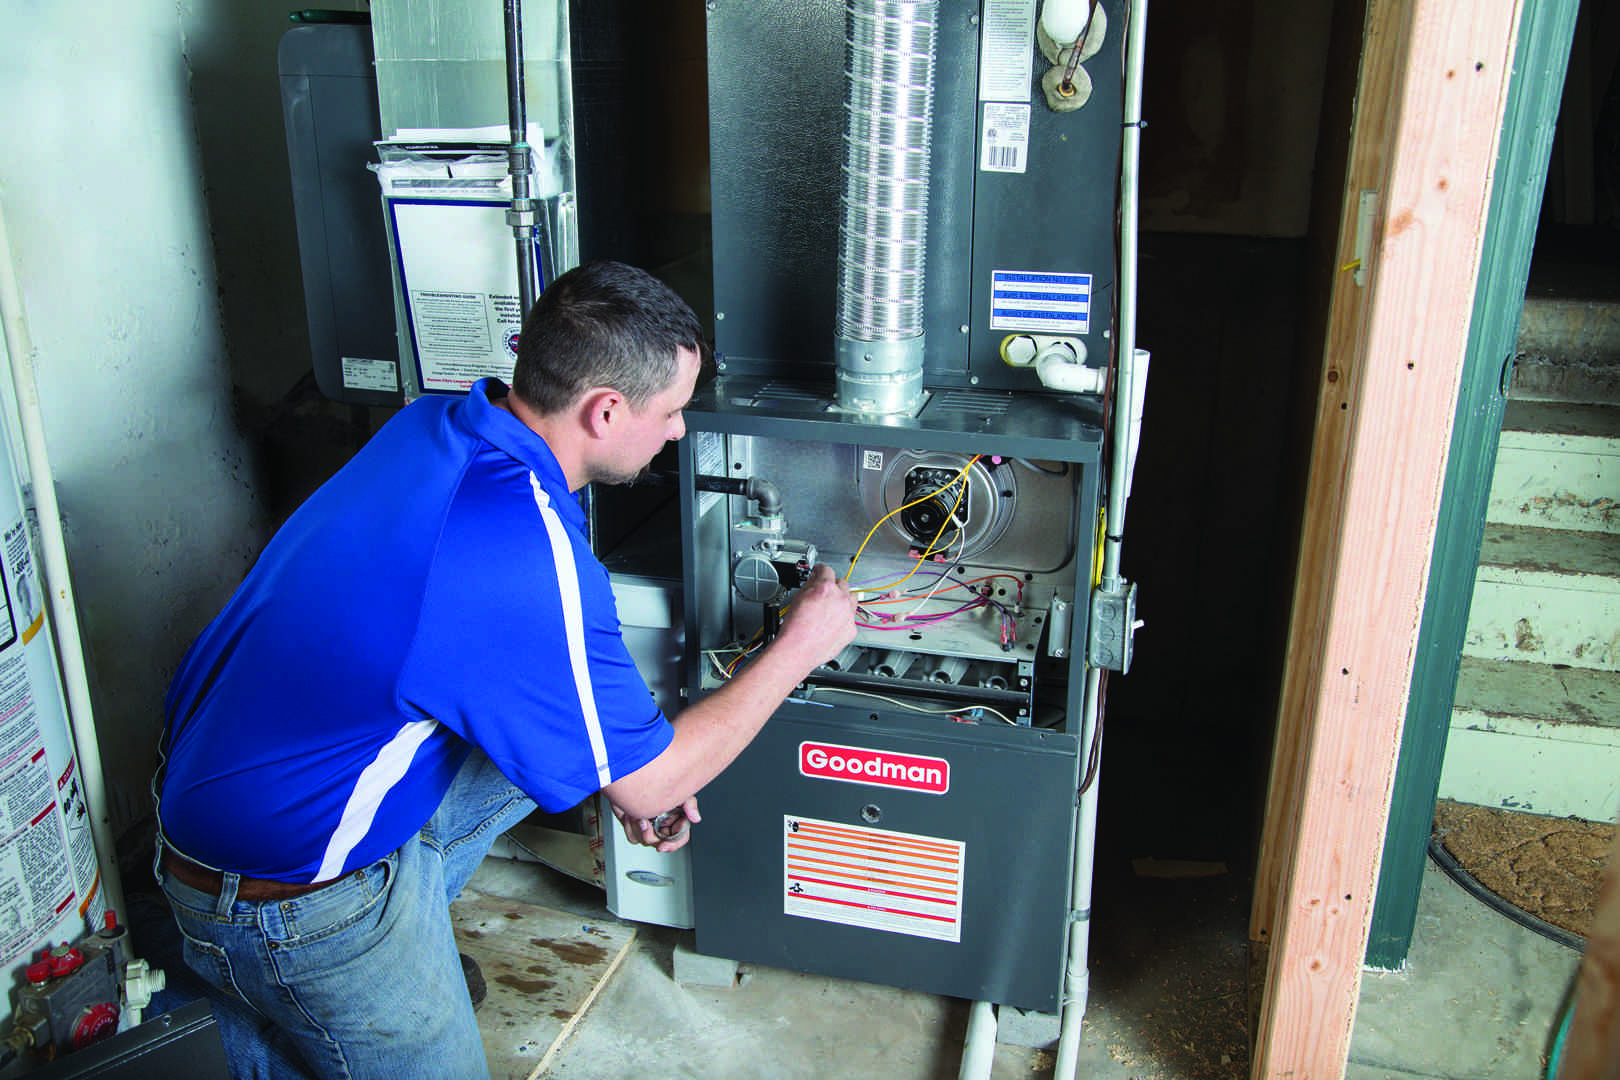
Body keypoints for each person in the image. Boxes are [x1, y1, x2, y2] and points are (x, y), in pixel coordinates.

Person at [153, 260, 857, 1079]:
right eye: (670, 412)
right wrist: (798, 649)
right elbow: (656, 784)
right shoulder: (516, 554)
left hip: (216, 807)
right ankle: (367, 978)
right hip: (294, 904)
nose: (676, 432)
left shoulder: (438, 425)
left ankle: (378, 975)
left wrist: (628, 769)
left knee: (601, 747)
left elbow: (543, 687)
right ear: (605, 411)